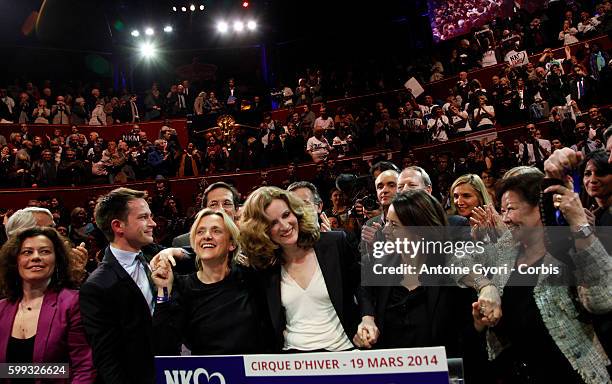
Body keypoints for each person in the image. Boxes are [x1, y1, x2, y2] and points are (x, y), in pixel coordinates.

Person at [471, 173, 612, 383]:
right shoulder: (505, 253)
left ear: (538, 208)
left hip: (572, 374)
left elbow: (603, 300)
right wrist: (485, 290)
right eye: (502, 211)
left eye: (511, 209)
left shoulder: (568, 250)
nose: (506, 218)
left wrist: (580, 225)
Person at [355, 191, 486, 382]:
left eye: (394, 225)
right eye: (386, 223)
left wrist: (478, 324)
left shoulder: (452, 270)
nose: (384, 231)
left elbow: (465, 336)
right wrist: (365, 324)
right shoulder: (378, 266)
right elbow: (364, 299)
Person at [79, 188, 183, 384]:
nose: (152, 223)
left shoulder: (155, 253)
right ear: (118, 226)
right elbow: (107, 359)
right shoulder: (97, 286)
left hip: (176, 371)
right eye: (144, 217)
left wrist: (176, 251)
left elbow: (197, 257)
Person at [239, 187, 360, 352]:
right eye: (273, 223)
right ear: (261, 231)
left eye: (286, 215)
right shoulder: (264, 268)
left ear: (296, 212)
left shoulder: (335, 243)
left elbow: (361, 286)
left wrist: (367, 318)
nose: (284, 226)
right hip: (293, 360)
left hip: (343, 351)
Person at [151, 209, 271, 355]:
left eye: (216, 231)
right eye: (200, 232)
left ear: (231, 244)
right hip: (207, 374)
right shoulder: (182, 286)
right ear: (194, 244)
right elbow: (164, 347)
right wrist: (163, 290)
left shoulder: (250, 277)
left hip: (252, 373)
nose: (207, 236)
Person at [0, 227, 96, 382]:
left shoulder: (72, 303)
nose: (36, 257)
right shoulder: (2, 308)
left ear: (57, 260)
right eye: (27, 252)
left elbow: (83, 367)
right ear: (15, 260)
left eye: (45, 251)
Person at [172, 182, 241, 247]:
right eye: (213, 204)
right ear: (204, 211)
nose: (221, 209)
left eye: (227, 204)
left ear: (236, 210)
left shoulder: (249, 239)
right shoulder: (183, 243)